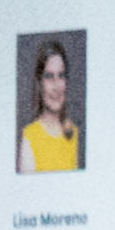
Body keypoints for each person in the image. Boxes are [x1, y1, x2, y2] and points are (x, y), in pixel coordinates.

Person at [18, 38, 82, 171]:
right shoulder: (30, 138)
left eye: (61, 75)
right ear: (39, 83)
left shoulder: (76, 134)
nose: (56, 86)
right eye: (49, 76)